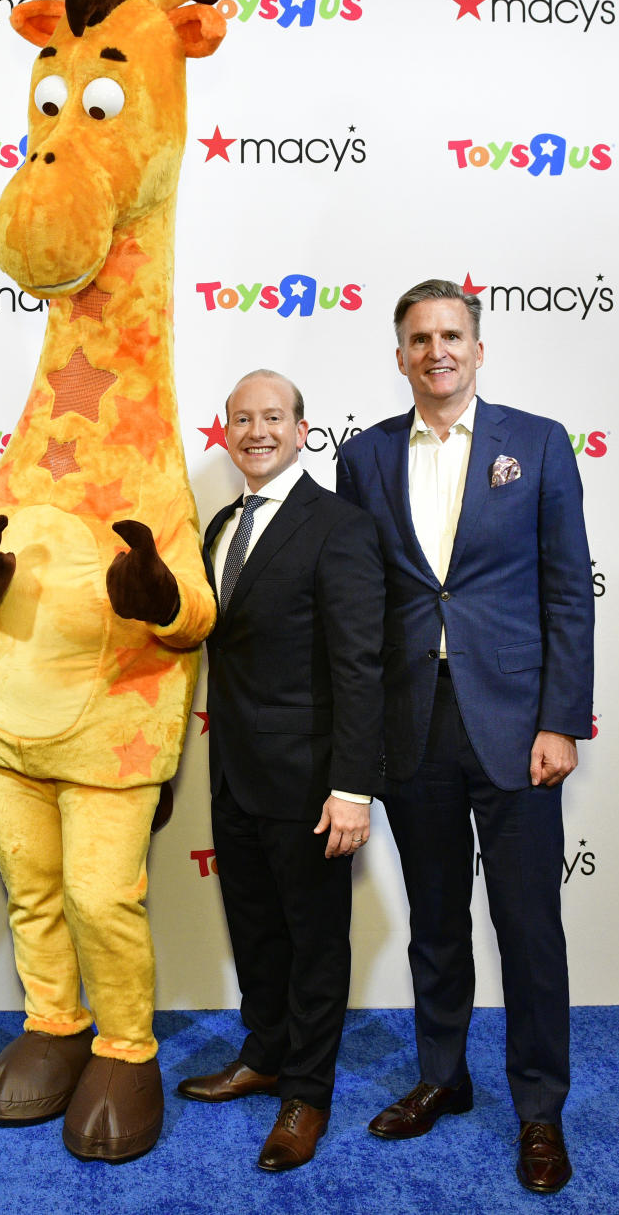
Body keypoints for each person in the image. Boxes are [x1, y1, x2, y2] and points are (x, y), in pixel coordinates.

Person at [336, 278, 594, 1194]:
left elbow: (569, 588)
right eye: (418, 337)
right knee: (436, 921)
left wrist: (563, 719)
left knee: (529, 925)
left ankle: (540, 1109)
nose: (436, 350)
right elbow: (360, 604)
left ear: (479, 349)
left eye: (451, 335)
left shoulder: (538, 441)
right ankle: (443, 1076)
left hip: (519, 724)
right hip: (412, 723)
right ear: (399, 354)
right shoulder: (363, 457)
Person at [177, 369, 385, 1171]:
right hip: (230, 773)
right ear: (224, 431)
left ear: (303, 430)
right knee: (256, 929)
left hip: (310, 784)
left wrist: (351, 787)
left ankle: (308, 1090)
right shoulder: (223, 523)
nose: (256, 429)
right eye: (241, 418)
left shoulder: (338, 526)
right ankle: (264, 1052)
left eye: (273, 417)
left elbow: (359, 666)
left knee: (315, 941)